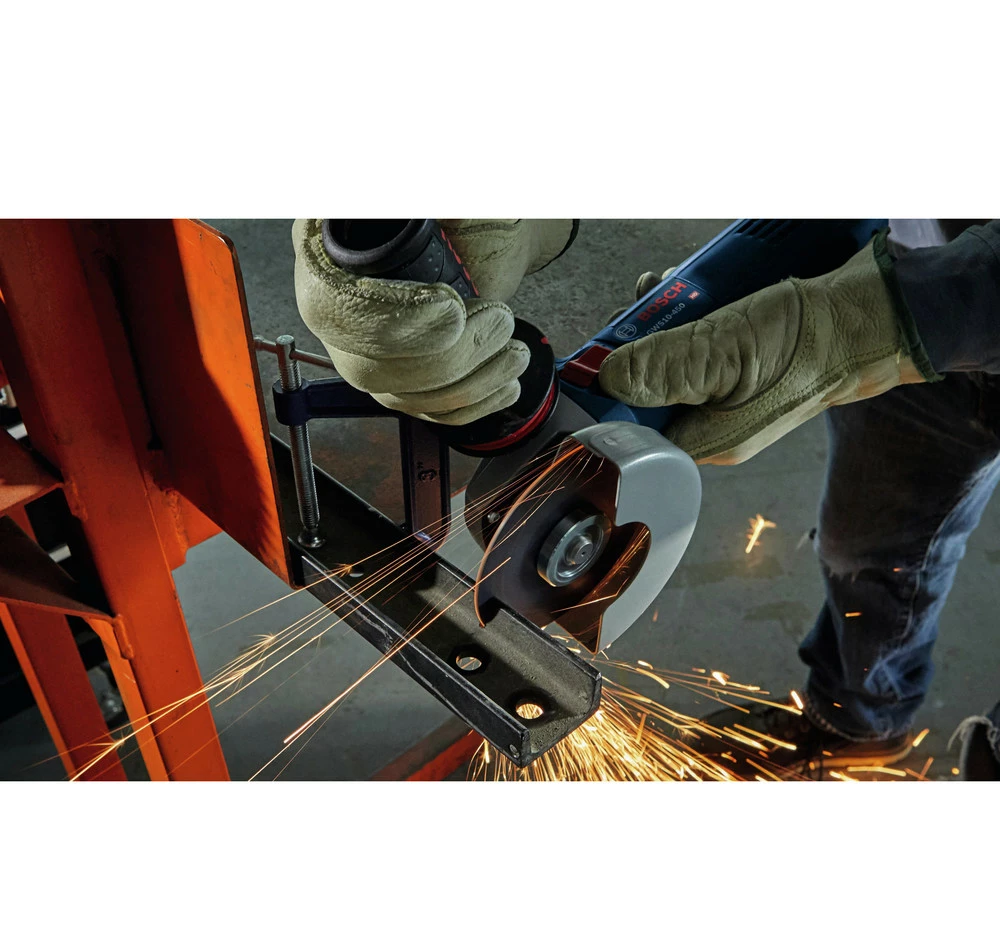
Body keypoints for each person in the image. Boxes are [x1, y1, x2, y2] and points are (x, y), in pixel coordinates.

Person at [291, 218, 1000, 781]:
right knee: (870, 545)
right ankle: (860, 724)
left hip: (952, 305)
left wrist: (874, 320)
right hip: (905, 258)